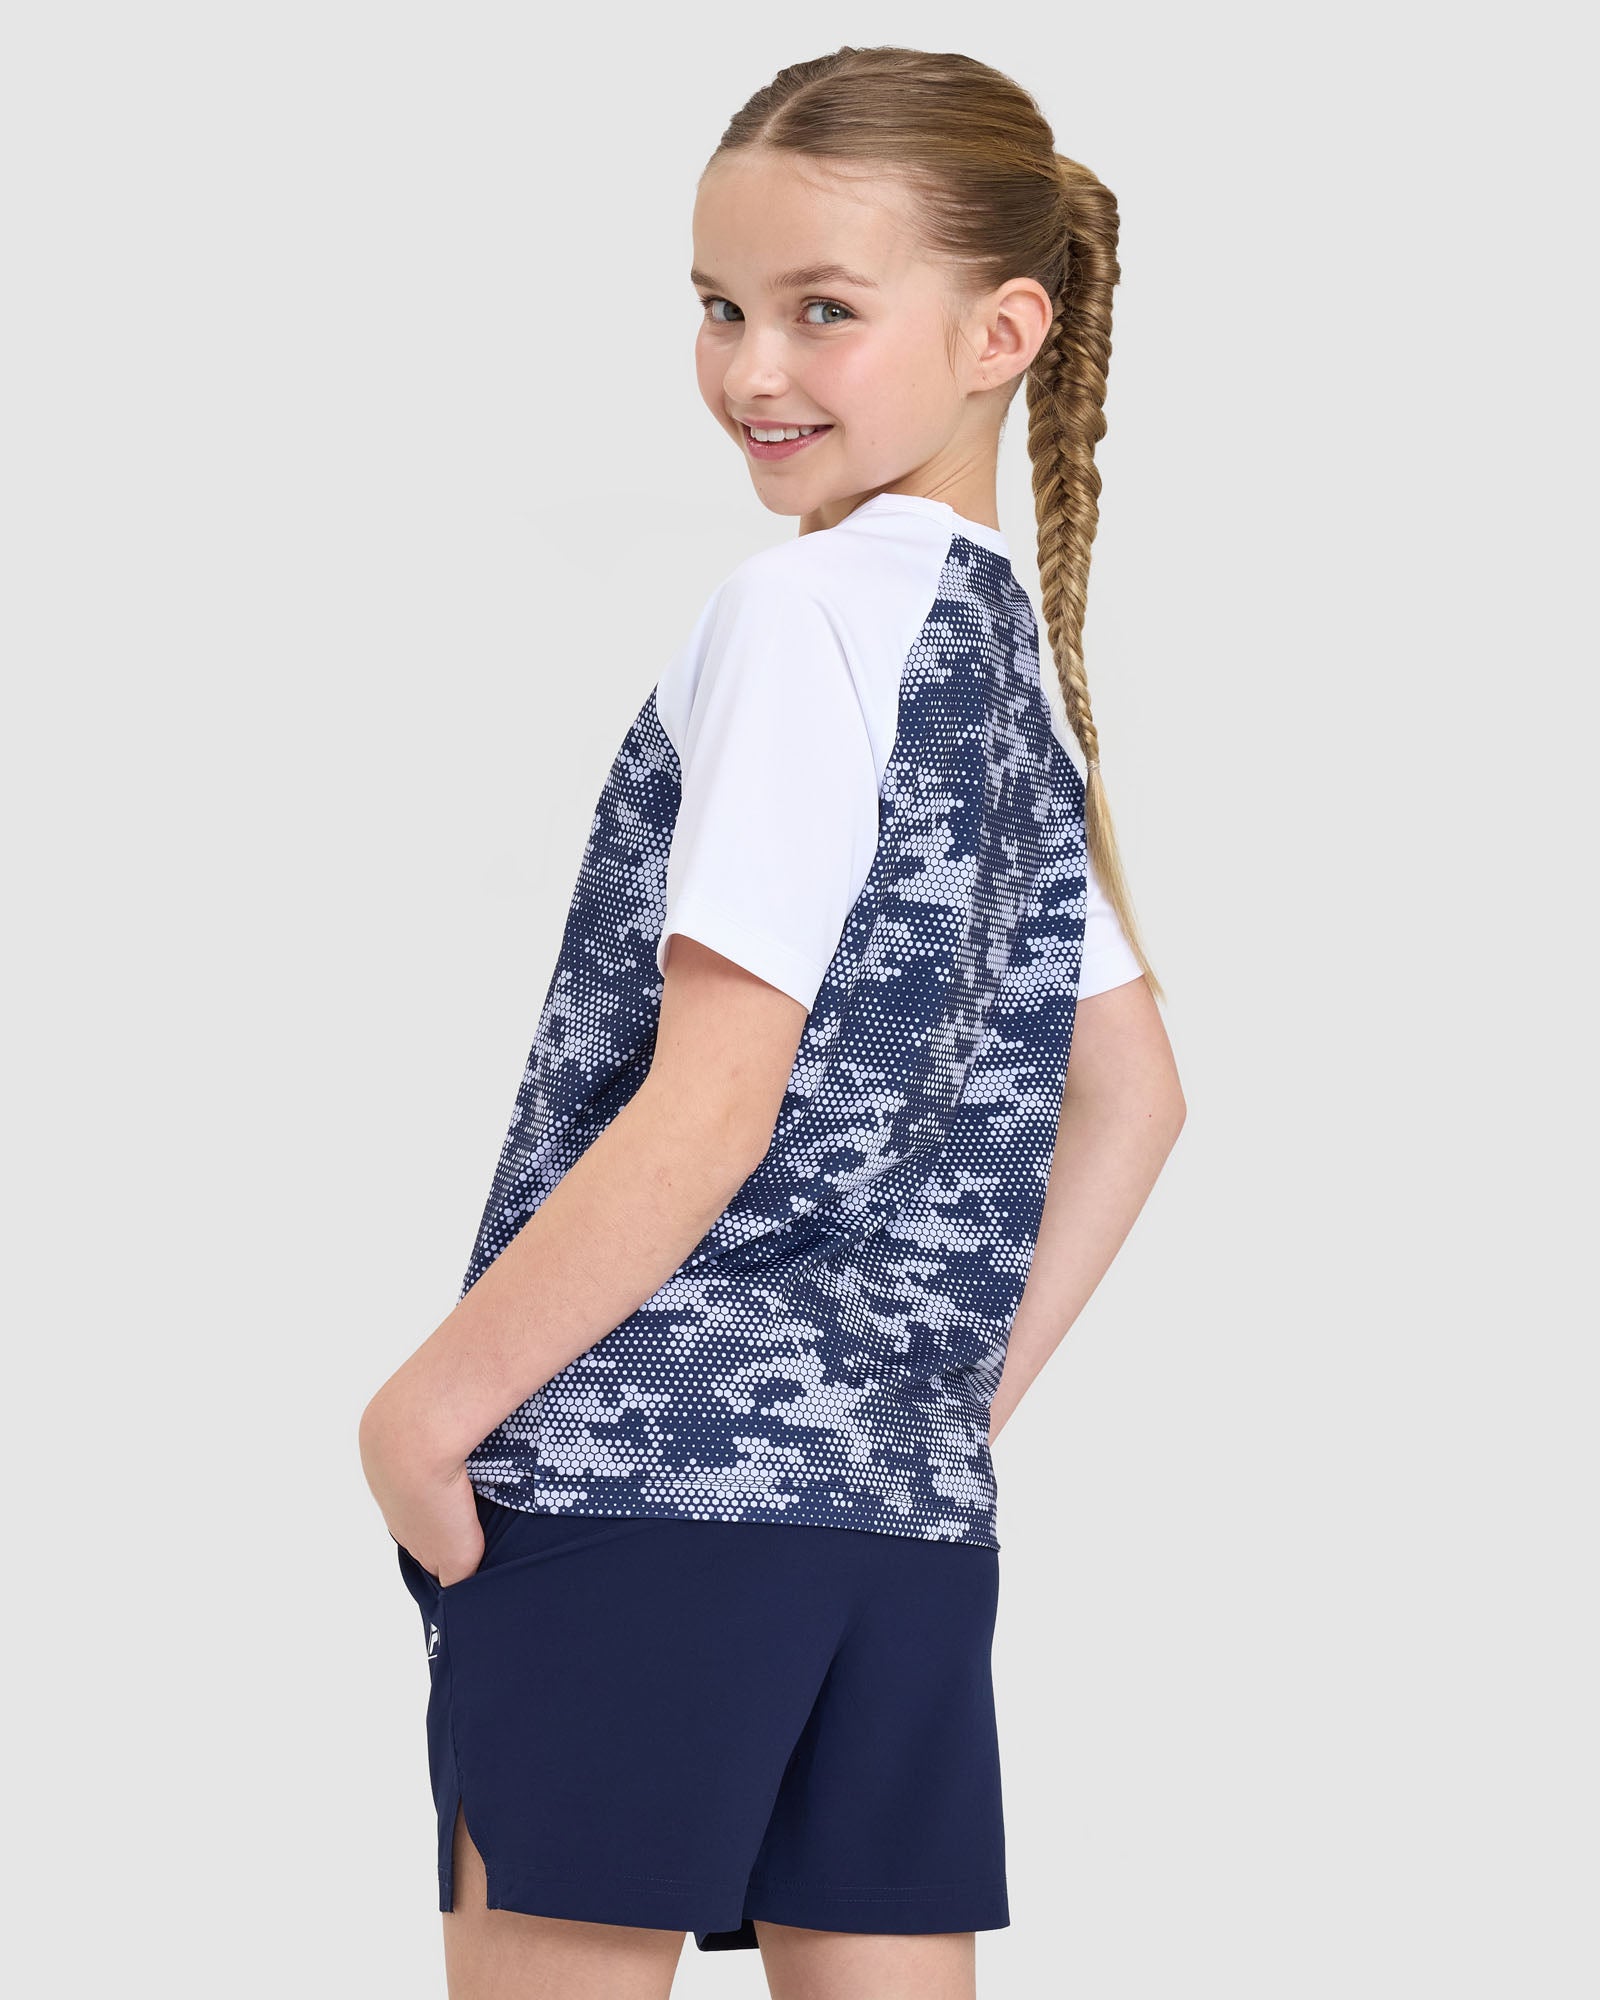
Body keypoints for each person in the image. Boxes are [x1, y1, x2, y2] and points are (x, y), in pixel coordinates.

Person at [359, 43, 1186, 2000]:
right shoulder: (1006, 659)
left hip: (640, 1471)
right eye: (719, 307)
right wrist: (925, 1416)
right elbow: (1138, 1095)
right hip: (896, 1522)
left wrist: (426, 1410)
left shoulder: (796, 614)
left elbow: (712, 1098)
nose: (751, 369)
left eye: (822, 310)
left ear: (1002, 332)